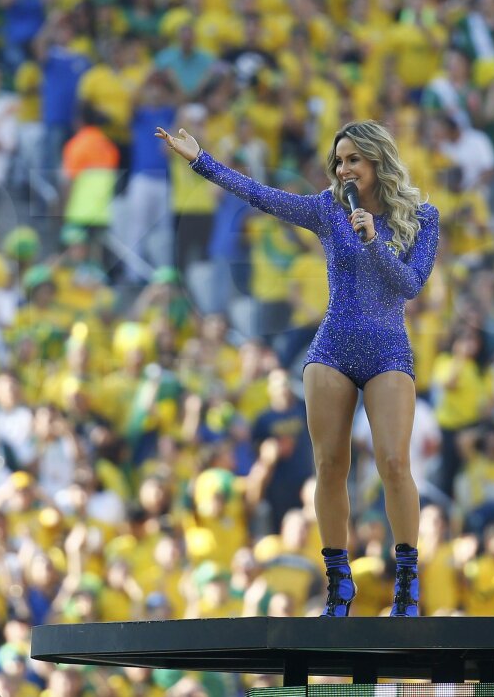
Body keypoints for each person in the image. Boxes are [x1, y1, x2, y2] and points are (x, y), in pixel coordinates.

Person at [155, 120, 440, 617]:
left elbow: (410, 285)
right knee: (330, 466)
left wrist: (374, 241)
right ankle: (338, 584)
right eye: (339, 160)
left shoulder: (422, 216)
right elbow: (262, 196)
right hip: (331, 348)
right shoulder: (329, 210)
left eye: (353, 159)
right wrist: (201, 161)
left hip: (389, 350)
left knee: (395, 463)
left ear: (377, 161)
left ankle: (407, 586)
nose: (343, 168)